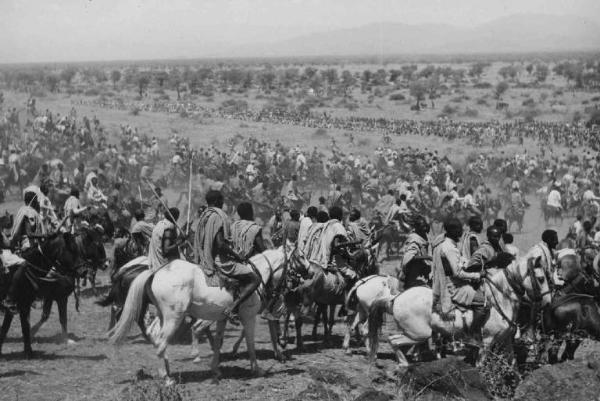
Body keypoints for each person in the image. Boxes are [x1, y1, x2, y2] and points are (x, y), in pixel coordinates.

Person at [193, 190, 260, 322]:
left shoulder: (204, 216)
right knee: (255, 279)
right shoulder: (218, 215)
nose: (223, 203)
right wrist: (237, 256)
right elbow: (220, 244)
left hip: (204, 257)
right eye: (222, 200)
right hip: (220, 260)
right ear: (218, 201)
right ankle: (233, 308)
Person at [431, 217, 487, 349]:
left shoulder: (448, 245)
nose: (461, 233)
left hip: (452, 281)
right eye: (459, 230)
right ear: (452, 231)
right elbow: (457, 273)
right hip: (454, 286)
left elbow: (461, 262)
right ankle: (472, 336)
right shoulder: (449, 248)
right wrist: (477, 275)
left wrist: (474, 264)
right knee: (483, 302)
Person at [3, 191, 46, 313]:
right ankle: (34, 296)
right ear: (33, 200)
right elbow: (30, 234)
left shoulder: (22, 211)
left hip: (28, 246)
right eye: (36, 200)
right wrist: (45, 235)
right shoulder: (29, 212)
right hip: (29, 247)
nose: (38, 203)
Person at [399, 216, 431, 289]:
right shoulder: (414, 240)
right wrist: (426, 257)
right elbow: (408, 259)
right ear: (417, 228)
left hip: (424, 270)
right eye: (422, 227)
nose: (425, 228)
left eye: (425, 226)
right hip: (414, 275)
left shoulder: (423, 235)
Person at [148, 208, 181, 272]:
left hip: (153, 260)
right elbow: (166, 249)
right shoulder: (168, 228)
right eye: (177, 217)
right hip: (162, 263)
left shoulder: (160, 223)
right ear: (175, 217)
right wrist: (178, 243)